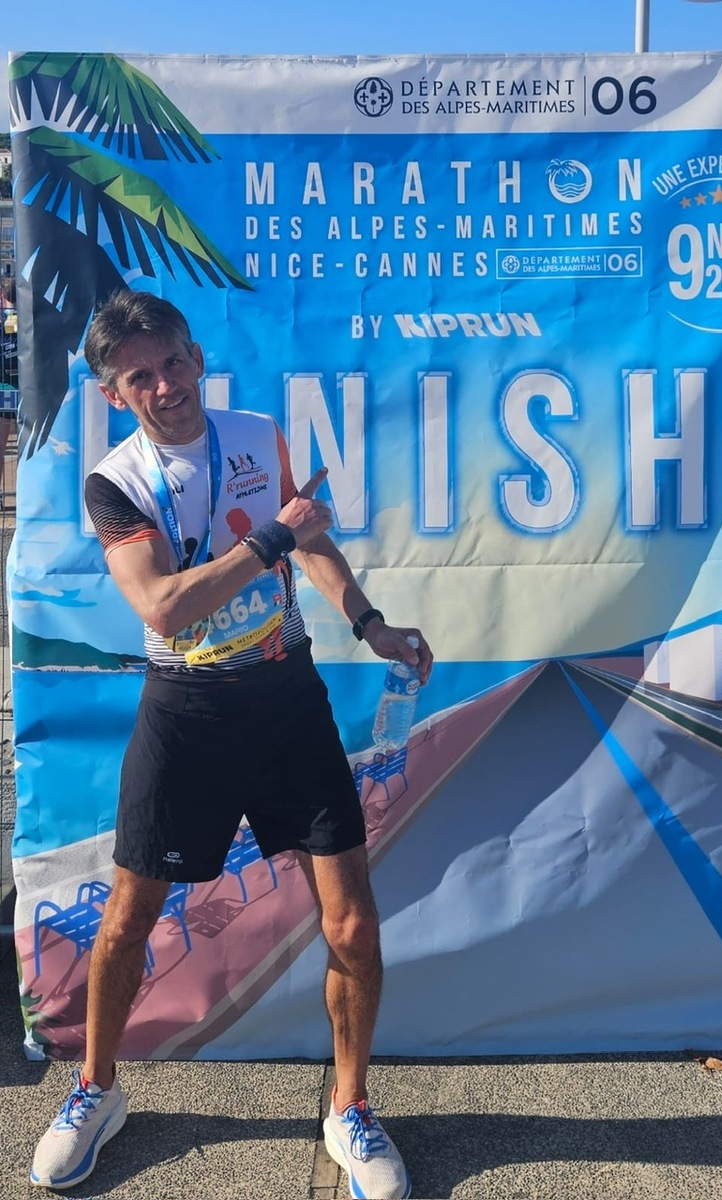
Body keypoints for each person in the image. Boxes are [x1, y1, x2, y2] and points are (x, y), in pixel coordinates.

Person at [30, 290, 431, 1200]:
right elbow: (163, 606)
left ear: (197, 357)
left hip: (288, 701)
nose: (164, 385)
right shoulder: (114, 483)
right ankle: (95, 1090)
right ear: (112, 393)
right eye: (139, 376)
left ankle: (350, 1107)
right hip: (188, 714)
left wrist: (369, 623)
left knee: (352, 922)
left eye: (173, 362)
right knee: (128, 921)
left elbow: (309, 544)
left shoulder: (255, 435)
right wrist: (275, 537)